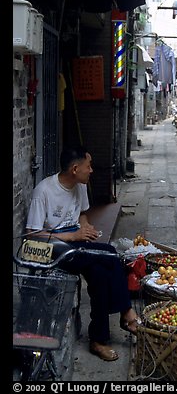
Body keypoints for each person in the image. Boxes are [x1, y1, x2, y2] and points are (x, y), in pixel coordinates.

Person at [25, 145, 141, 361]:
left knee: (99, 274)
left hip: (77, 245)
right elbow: (33, 234)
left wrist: (85, 229)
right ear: (75, 169)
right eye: (89, 166)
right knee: (110, 254)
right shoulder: (44, 191)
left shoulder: (79, 186)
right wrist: (72, 237)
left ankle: (98, 340)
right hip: (54, 249)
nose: (92, 170)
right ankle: (127, 313)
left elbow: (83, 214)